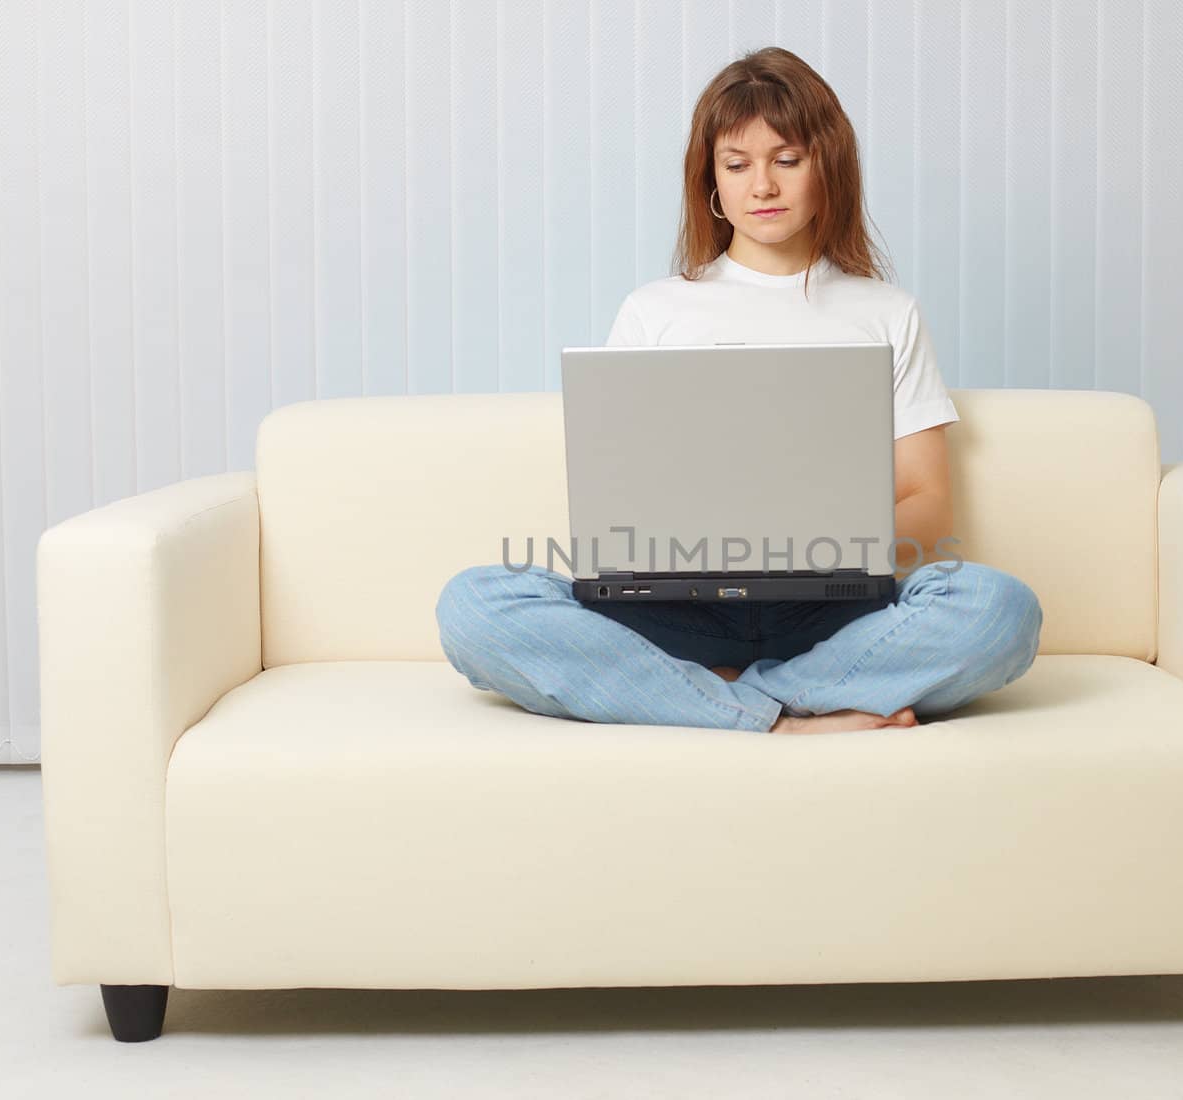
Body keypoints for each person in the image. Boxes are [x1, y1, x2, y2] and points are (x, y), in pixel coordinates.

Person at [437, 47, 1042, 735]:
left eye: (786, 160)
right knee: (474, 604)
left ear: (827, 169)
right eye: (737, 164)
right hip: (678, 606)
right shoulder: (655, 310)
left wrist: (816, 548)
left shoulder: (886, 311)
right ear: (711, 185)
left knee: (1000, 609)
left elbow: (929, 503)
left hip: (830, 611)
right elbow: (619, 492)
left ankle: (717, 697)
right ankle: (784, 712)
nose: (763, 186)